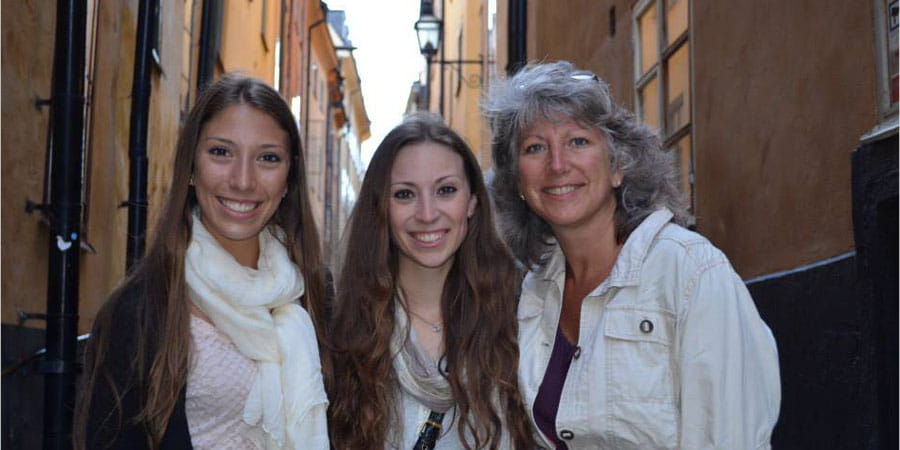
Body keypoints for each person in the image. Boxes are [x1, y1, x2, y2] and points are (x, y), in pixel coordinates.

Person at [483, 61, 781, 449]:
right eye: (535, 148)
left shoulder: (690, 272)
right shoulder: (534, 293)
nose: (557, 165)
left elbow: (732, 437)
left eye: (578, 141)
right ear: (518, 181)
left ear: (618, 167)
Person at [76, 75, 330, 449]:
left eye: (267, 158)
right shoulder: (139, 312)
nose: (242, 181)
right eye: (221, 152)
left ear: (289, 177)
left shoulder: (316, 300)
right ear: (191, 166)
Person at [325, 113, 535, 449]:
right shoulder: (340, 328)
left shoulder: (524, 315)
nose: (426, 213)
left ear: (472, 203)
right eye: (405, 194)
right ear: (381, 208)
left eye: (446, 190)